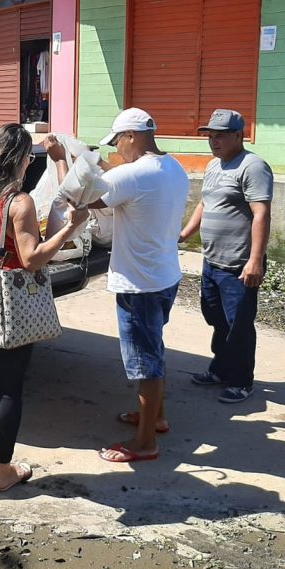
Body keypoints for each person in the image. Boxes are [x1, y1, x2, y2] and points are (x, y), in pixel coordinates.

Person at [0, 123, 89, 502]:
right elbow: (30, 259)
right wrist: (68, 230)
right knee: (8, 389)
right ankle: (4, 471)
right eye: (29, 158)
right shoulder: (19, 201)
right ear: (22, 161)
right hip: (5, 303)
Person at [48, 108, 188, 463]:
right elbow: (121, 180)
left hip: (138, 284)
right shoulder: (174, 168)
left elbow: (74, 198)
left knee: (145, 363)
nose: (116, 151)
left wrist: (61, 159)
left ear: (131, 137)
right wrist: (96, 165)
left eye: (118, 143)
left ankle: (145, 443)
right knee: (154, 350)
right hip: (165, 275)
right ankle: (156, 418)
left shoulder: (132, 175)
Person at [179, 109, 273, 403]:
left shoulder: (253, 166)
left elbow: (261, 214)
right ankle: (220, 368)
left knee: (239, 326)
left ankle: (242, 380)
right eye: (210, 135)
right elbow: (204, 205)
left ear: (238, 135)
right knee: (216, 319)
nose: (213, 141)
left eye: (220, 135)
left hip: (239, 265)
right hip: (212, 261)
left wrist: (255, 260)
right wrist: (184, 235)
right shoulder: (214, 166)